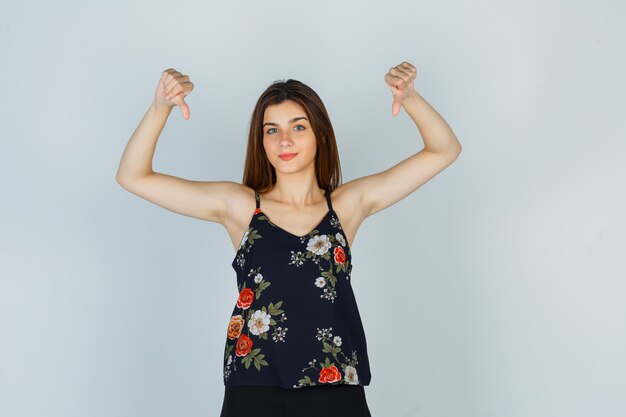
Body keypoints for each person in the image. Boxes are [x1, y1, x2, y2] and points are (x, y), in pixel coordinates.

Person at [116, 61, 461, 417]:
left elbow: (444, 150)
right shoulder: (240, 206)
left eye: (298, 126)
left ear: (320, 135)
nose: (285, 140)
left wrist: (411, 99)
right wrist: (160, 108)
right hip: (254, 388)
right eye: (271, 130)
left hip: (336, 387)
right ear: (260, 140)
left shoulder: (346, 205)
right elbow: (133, 176)